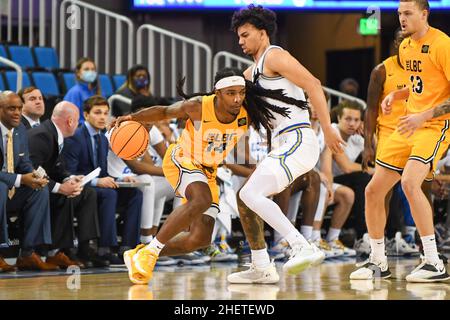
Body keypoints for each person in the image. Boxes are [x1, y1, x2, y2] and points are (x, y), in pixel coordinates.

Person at [113, 67, 301, 285]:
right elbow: (164, 112)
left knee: (199, 240)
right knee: (201, 200)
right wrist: (131, 117)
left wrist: (262, 168)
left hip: (208, 172)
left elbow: (240, 149)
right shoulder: (199, 106)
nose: (237, 98)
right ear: (217, 92)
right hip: (182, 159)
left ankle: (139, 253)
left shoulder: (246, 114)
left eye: (241, 92)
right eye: (231, 93)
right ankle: (151, 252)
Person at [226, 4, 344, 284]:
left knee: (251, 193)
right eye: (238, 37)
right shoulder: (250, 72)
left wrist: (327, 130)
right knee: (247, 197)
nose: (240, 42)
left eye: (245, 35)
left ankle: (302, 245)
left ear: (262, 33)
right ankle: (262, 266)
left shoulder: (274, 55)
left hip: (300, 139)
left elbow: (314, 84)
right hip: (283, 144)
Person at [350, 0, 450, 282]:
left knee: (409, 182)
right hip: (408, 125)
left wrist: (423, 116)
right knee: (373, 191)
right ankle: (378, 261)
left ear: (424, 14)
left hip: (435, 126)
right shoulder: (406, 47)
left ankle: (433, 262)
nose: (401, 19)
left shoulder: (443, 45)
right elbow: (421, 84)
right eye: (399, 14)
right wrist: (397, 95)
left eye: (407, 13)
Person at [62, 96, 143, 266]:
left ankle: (128, 248)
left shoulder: (103, 139)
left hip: (97, 187)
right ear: (86, 115)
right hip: (79, 189)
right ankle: (105, 248)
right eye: (97, 113)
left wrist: (120, 178)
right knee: (109, 194)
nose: (102, 117)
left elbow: (103, 172)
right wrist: (97, 182)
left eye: (106, 113)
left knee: (135, 193)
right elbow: (68, 173)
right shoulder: (75, 137)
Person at [27, 101, 105, 269]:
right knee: (65, 196)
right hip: (29, 190)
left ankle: (86, 249)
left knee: (86, 193)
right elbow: (31, 173)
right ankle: (56, 251)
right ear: (70, 121)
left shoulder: (54, 134)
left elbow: (57, 169)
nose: (78, 125)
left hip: (44, 186)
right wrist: (61, 187)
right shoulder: (43, 136)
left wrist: (69, 178)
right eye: (77, 121)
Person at [362, 29, 419, 256]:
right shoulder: (381, 71)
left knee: (420, 189)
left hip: (418, 134)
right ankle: (380, 244)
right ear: (394, 45)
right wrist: (368, 144)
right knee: (381, 191)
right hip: (388, 135)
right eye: (402, 42)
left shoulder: (425, 68)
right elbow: (371, 109)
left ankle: (424, 246)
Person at [0, 91, 57, 271]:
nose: (17, 113)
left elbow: (24, 163)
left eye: (19, 108)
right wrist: (20, 179)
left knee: (39, 189)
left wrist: (35, 176)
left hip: (11, 188)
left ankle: (28, 253)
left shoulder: (20, 130)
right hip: (2, 187)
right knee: (0, 187)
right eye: (11, 109)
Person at [64, 57, 101, 125]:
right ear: (78, 73)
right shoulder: (75, 92)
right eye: (86, 69)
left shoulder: (98, 91)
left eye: (93, 69)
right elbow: (72, 120)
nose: (90, 72)